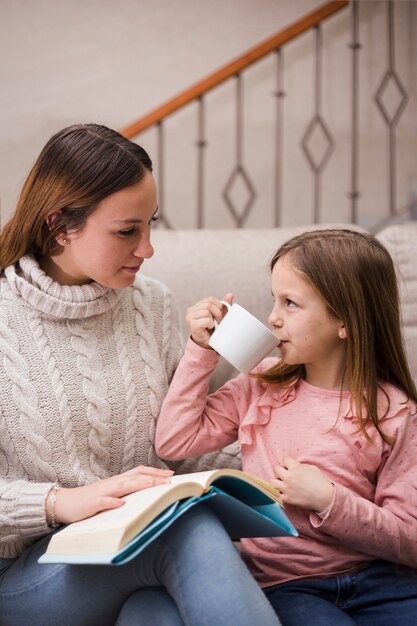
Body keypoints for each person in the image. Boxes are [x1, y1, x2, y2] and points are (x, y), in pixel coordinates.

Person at [0, 124, 281, 626]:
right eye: (128, 231)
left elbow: (184, 441)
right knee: (181, 529)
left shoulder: (151, 303)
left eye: (151, 224)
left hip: (130, 548)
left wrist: (286, 448)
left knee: (155, 614)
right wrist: (60, 502)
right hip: (29, 573)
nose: (147, 248)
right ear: (61, 225)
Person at [156, 228, 417, 625]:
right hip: (288, 585)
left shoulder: (396, 414)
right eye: (275, 300)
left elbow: (408, 539)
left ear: (344, 322)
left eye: (290, 303)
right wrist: (202, 350)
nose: (273, 317)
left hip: (380, 579)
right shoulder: (261, 384)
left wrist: (331, 501)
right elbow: (175, 440)